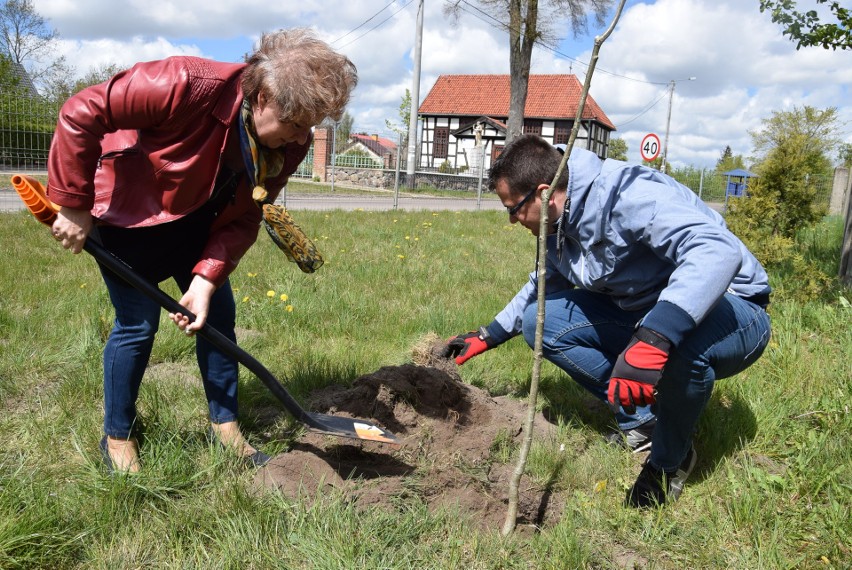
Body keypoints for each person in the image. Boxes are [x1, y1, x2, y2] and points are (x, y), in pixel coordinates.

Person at [47, 29, 357, 473]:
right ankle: (118, 438)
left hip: (198, 225)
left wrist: (206, 277)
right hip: (127, 218)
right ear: (264, 96)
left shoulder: (290, 142)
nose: (299, 139)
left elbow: (252, 210)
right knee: (136, 326)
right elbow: (81, 112)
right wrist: (74, 205)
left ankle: (226, 426)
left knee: (219, 320)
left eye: (308, 127)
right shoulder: (184, 83)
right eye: (294, 124)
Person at [442, 135, 772, 508]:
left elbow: (716, 251)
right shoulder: (560, 222)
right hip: (646, 312)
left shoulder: (628, 196)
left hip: (733, 307)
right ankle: (647, 422)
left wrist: (655, 336)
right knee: (541, 322)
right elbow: (544, 281)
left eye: (513, 209)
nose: (512, 220)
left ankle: (670, 460)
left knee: (683, 345)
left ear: (544, 192)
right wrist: (489, 335)